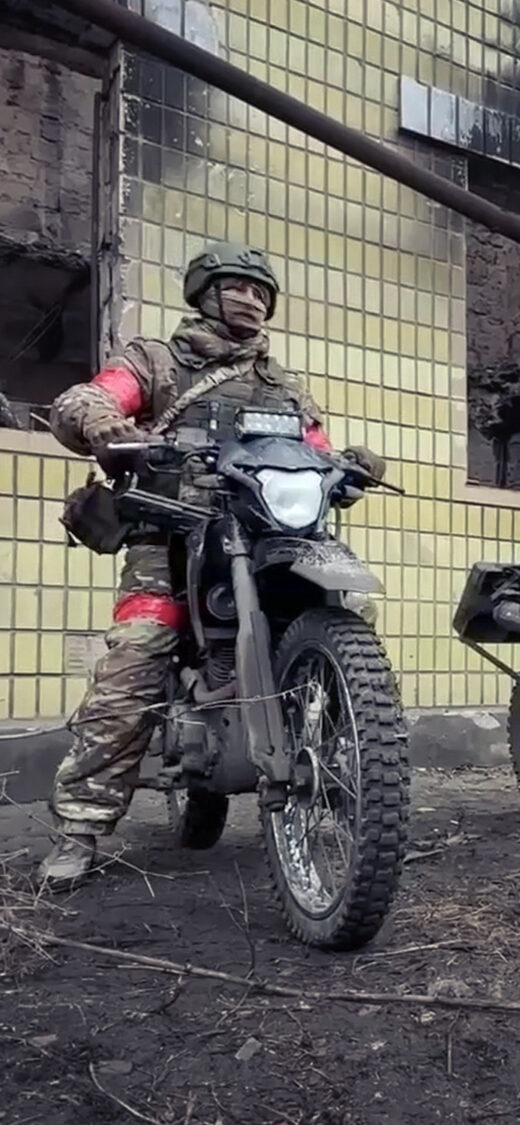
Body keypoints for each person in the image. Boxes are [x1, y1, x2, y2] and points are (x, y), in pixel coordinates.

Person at [39, 242, 385, 891]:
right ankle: (80, 827)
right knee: (139, 652)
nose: (250, 299)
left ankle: (345, 773)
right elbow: (86, 398)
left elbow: (315, 449)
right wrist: (108, 426)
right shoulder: (156, 360)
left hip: (264, 538)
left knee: (345, 615)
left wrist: (349, 464)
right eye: (236, 286)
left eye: (261, 292)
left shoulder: (283, 386)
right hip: (171, 538)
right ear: (202, 292)